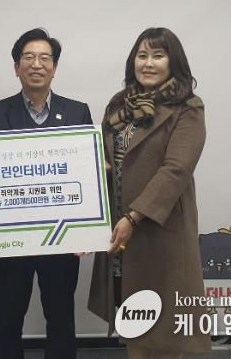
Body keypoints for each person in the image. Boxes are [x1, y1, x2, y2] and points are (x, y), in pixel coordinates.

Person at [88, 27, 211, 358]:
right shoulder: (120, 105)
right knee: (135, 325)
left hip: (159, 231)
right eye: (142, 55)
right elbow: (107, 156)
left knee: (165, 332)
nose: (148, 63)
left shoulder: (188, 108)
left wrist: (134, 216)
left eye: (158, 55)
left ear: (174, 61)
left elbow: (176, 170)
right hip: (120, 234)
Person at [0, 28, 93, 359]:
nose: (36, 64)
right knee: (7, 316)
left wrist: (87, 230)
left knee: (61, 316)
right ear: (17, 67)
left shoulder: (77, 112)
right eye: (28, 57)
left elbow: (86, 175)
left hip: (61, 237)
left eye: (45, 58)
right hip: (11, 239)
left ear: (54, 67)